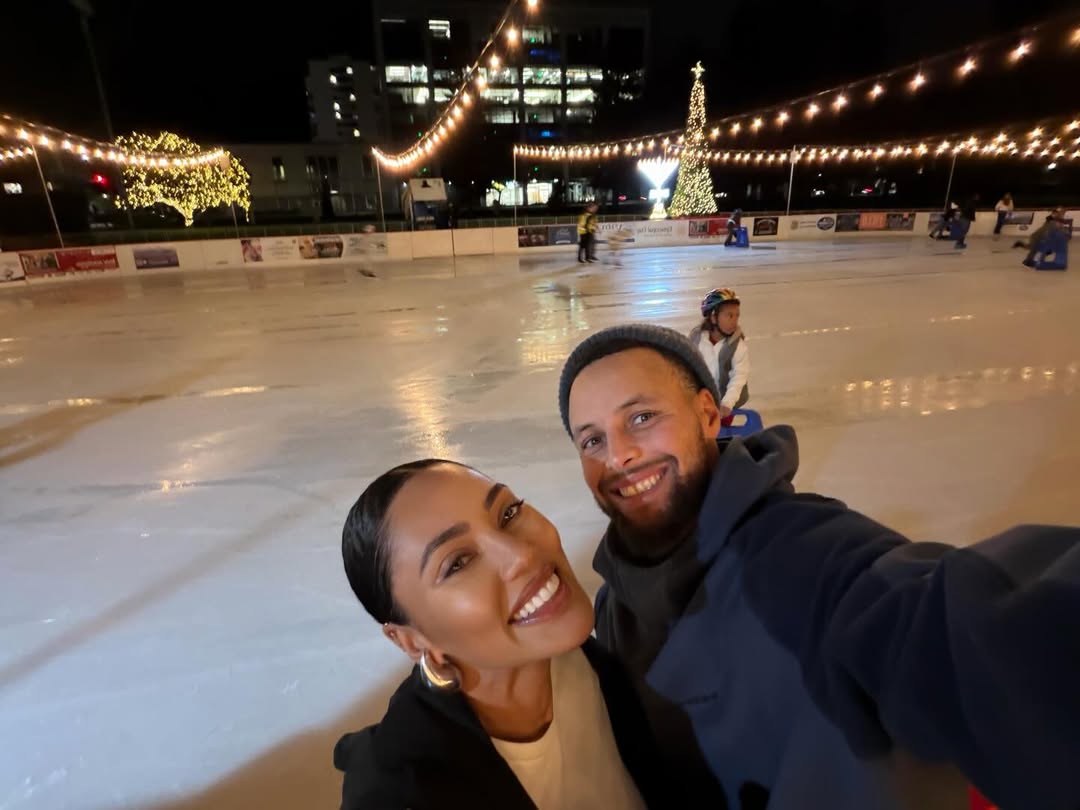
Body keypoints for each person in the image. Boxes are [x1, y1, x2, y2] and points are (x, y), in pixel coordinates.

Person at [557, 323, 1080, 810]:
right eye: (592, 440)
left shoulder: (807, 558)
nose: (618, 456)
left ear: (709, 415)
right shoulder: (613, 607)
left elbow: (962, 631)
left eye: (642, 418)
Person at [334, 460, 675, 810]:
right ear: (411, 640)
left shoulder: (604, 662)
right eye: (458, 562)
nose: (523, 555)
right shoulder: (406, 790)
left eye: (508, 514)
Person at [687, 287, 749, 420]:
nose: (734, 321)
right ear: (713, 317)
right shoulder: (696, 340)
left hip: (725, 405)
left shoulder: (737, 346)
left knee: (721, 431)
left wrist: (727, 404)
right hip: (700, 403)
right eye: (729, 315)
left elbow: (739, 377)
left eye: (737, 315)